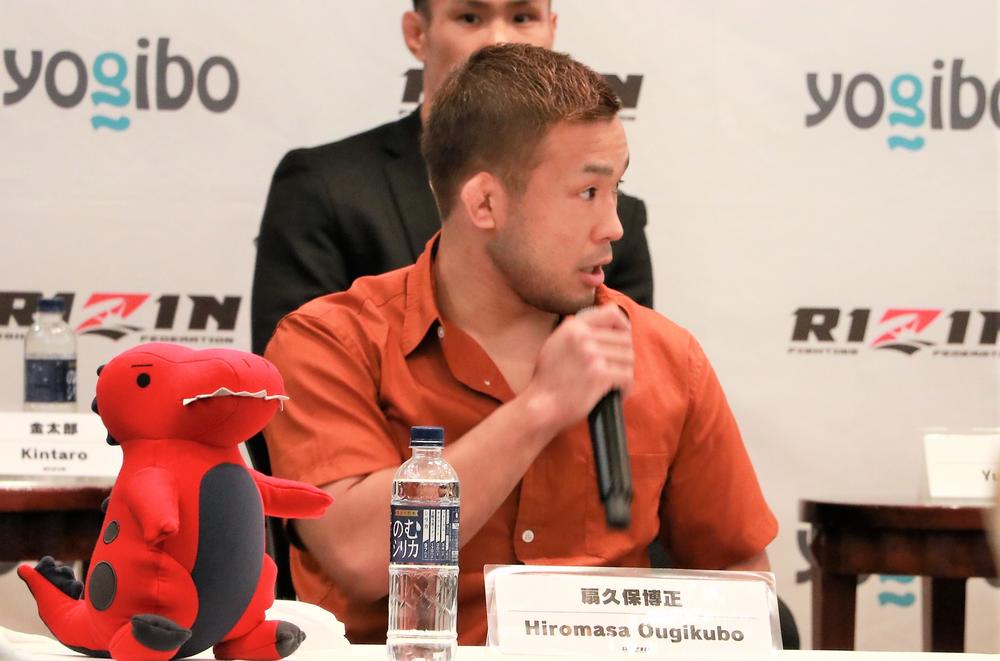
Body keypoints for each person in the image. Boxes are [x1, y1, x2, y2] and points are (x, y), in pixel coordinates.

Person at [263, 43, 777, 646]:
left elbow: (740, 575)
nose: (614, 225)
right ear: (485, 202)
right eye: (587, 192)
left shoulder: (667, 355)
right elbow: (361, 556)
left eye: (616, 189)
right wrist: (540, 408)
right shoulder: (330, 342)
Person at [250, 0, 654, 363]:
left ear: (552, 28)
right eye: (470, 17)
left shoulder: (618, 222)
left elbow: (637, 395)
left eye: (522, 17)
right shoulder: (324, 187)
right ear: (417, 33)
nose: (499, 39)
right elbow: (286, 393)